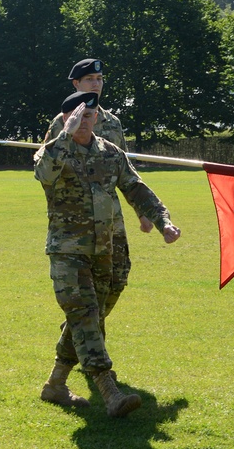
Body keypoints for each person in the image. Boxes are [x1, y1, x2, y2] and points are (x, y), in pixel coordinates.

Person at [34, 92, 181, 417]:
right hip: (68, 251)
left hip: (108, 251)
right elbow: (44, 174)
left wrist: (163, 221)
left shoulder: (111, 153)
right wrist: (65, 134)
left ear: (98, 118)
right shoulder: (53, 151)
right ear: (65, 118)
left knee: (89, 317)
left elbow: (136, 188)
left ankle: (55, 385)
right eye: (76, 116)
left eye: (89, 115)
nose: (83, 121)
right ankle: (109, 390)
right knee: (85, 314)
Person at [45, 59, 153, 342]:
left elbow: (126, 172)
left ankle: (77, 333)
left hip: (111, 218)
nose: (96, 84)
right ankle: (91, 348)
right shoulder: (62, 122)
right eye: (90, 79)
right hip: (77, 220)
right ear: (76, 84)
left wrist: (142, 211)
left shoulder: (113, 123)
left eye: (100, 78)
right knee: (87, 290)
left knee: (117, 280)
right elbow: (48, 170)